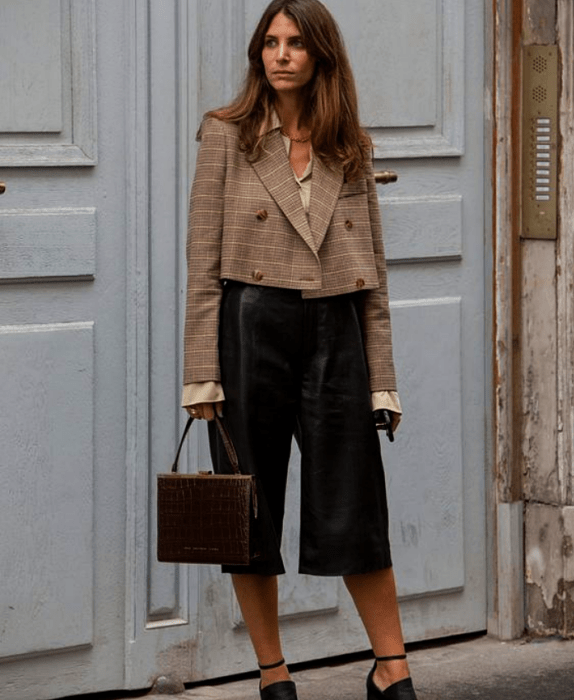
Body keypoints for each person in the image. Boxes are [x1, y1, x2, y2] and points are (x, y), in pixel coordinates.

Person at [181, 1, 417, 698]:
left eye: (295, 43)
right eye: (270, 43)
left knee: (354, 504)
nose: (280, 55)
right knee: (249, 512)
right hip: (251, 327)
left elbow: (373, 275)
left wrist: (383, 378)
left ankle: (392, 667)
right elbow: (202, 264)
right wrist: (202, 372)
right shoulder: (226, 135)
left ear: (320, 55)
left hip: (336, 331)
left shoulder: (351, 146)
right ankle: (274, 675)